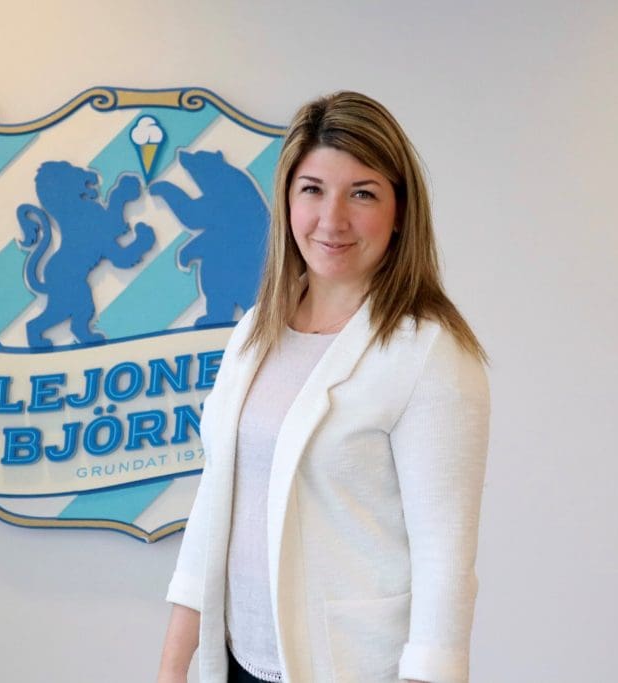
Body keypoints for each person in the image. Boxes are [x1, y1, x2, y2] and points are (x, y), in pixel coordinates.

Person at [157, 91, 491, 683]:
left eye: (362, 193)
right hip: (235, 661)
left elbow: (444, 561)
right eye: (312, 189)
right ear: (287, 199)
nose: (332, 220)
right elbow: (216, 504)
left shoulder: (430, 354)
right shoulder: (254, 332)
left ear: (400, 211)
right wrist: (172, 666)